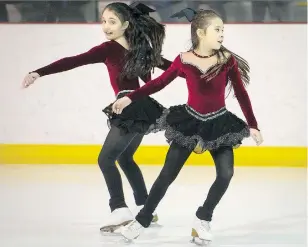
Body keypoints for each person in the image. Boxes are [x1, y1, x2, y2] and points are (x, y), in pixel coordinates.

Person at [22, 2, 185, 233]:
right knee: (126, 158)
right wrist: (39, 71)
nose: (106, 27)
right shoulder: (140, 47)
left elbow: (172, 70)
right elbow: (174, 70)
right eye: (103, 21)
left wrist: (201, 69)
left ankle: (119, 209)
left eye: (112, 22)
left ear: (126, 24)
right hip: (144, 108)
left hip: (130, 107)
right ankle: (147, 207)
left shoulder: (110, 49)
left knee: (105, 159)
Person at [112, 7, 264, 244]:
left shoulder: (227, 60)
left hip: (220, 123)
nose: (222, 34)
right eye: (217, 29)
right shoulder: (183, 60)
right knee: (166, 176)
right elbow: (158, 83)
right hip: (189, 122)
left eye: (223, 29)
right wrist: (130, 97)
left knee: (226, 174)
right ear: (201, 33)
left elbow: (242, 95)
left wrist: (253, 125)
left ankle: (203, 218)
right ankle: (141, 220)